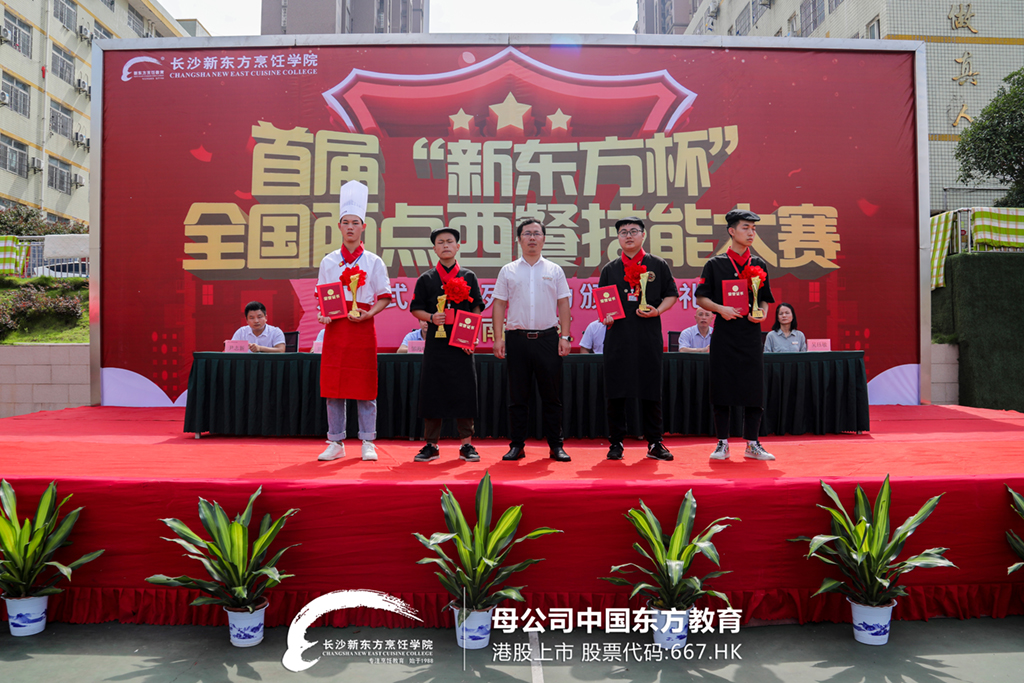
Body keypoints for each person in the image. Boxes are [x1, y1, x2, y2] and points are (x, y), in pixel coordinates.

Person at [315, 181, 392, 463]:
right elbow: (322, 297)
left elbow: (384, 296)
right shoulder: (329, 261)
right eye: (345, 223)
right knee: (333, 385)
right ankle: (335, 441)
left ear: (363, 227)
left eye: (355, 223)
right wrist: (324, 313)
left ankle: (368, 440)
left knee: (364, 384)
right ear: (339, 226)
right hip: (336, 328)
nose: (350, 227)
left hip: (363, 327)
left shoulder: (374, 261)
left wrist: (370, 313)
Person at [695, 209, 776, 462]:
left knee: (754, 388)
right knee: (722, 387)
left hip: (751, 335)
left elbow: (765, 299)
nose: (751, 233)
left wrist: (762, 314)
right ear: (731, 231)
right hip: (725, 335)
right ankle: (723, 443)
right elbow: (701, 298)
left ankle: (752, 443)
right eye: (745, 228)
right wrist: (721, 309)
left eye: (754, 229)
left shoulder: (759, 264)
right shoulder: (715, 264)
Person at [492, 217, 572, 463]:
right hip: (517, 339)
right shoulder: (508, 270)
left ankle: (556, 445)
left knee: (552, 396)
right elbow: (499, 305)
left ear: (544, 239)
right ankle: (517, 445)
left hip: (548, 338)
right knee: (518, 397)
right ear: (519, 239)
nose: (532, 238)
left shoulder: (554, 270)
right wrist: (498, 338)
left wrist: (565, 336)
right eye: (527, 234)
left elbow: (563, 303)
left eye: (537, 233)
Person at [598, 217, 678, 461]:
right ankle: (616, 443)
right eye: (623, 232)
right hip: (618, 338)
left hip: (647, 337)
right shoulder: (610, 269)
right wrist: (606, 317)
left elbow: (671, 295)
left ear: (643, 235)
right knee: (616, 391)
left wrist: (657, 311)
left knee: (651, 389)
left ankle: (655, 442)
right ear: (618, 238)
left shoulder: (657, 264)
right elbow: (603, 302)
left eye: (634, 231)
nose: (628, 236)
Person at [409, 226, 485, 463]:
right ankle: (431, 445)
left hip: (462, 344)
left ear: (458, 246)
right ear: (434, 248)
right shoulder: (426, 278)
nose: (445, 245)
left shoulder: (469, 276)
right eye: (440, 242)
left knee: (465, 391)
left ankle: (466, 445)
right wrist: (432, 317)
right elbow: (416, 309)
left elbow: (476, 308)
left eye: (449, 241)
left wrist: (472, 337)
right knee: (432, 391)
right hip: (436, 344)